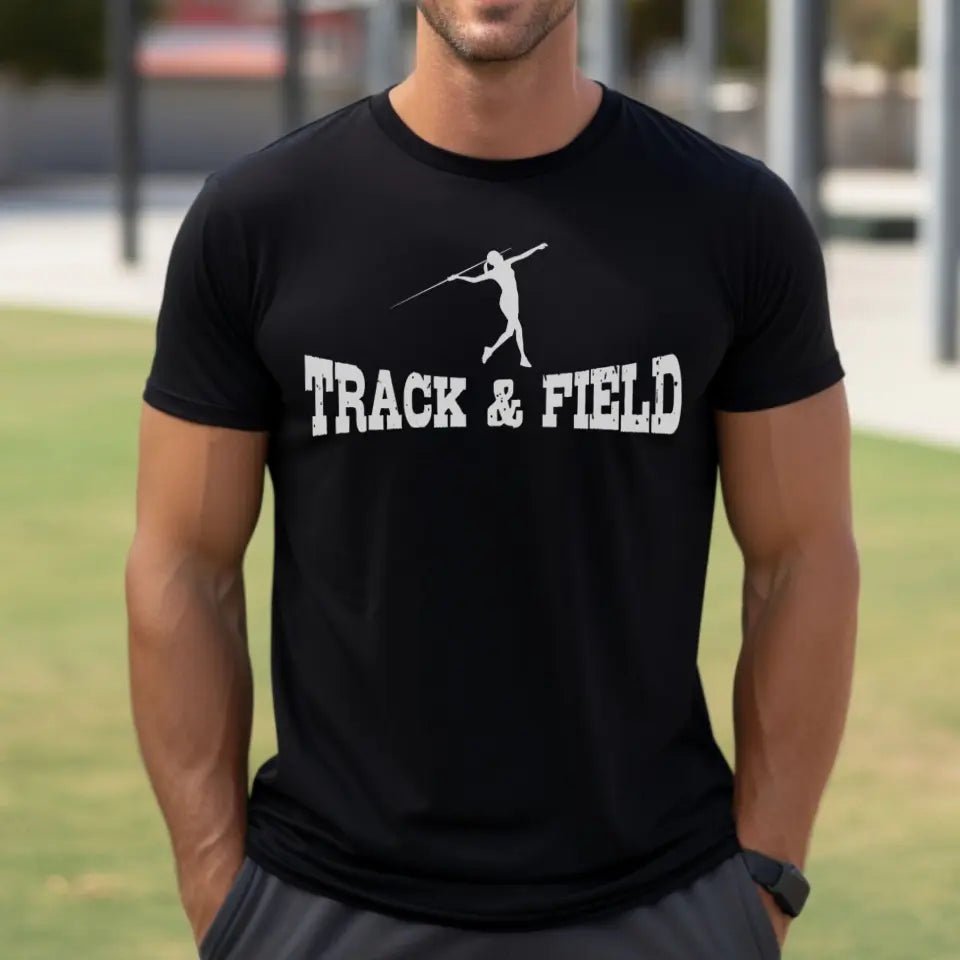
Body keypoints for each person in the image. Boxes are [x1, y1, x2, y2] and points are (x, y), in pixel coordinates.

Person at [126, 1, 859, 957]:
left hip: (656, 904)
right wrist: (222, 897)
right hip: (326, 905)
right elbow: (181, 563)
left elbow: (804, 559)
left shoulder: (731, 220)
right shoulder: (260, 221)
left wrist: (762, 886)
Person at [447, 244, 548, 367]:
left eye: (498, 254)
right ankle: (511, 355)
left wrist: (537, 248)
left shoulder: (502, 265)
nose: (500, 255)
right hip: (507, 301)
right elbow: (475, 280)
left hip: (513, 300)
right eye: (497, 255)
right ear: (494, 260)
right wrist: (457, 277)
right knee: (514, 330)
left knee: (514, 330)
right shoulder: (495, 270)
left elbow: (522, 256)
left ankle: (509, 354)